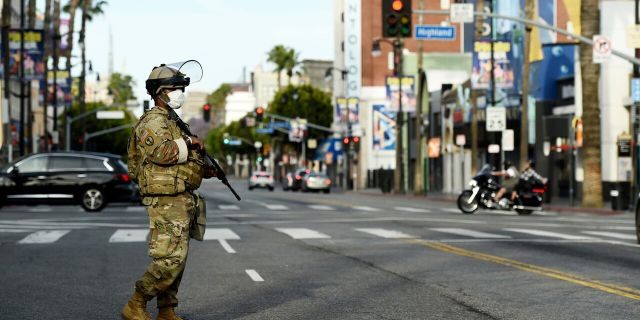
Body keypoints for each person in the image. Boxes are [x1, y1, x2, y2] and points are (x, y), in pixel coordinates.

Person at [121, 63, 216, 320]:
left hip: (180, 196)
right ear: (160, 92)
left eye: (181, 88)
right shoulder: (153, 121)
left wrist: (204, 170)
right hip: (165, 199)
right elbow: (163, 153)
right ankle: (136, 302)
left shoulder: (173, 122)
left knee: (178, 258)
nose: (179, 93)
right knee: (170, 259)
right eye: (174, 88)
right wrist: (188, 141)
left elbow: (182, 161)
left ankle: (166, 309)